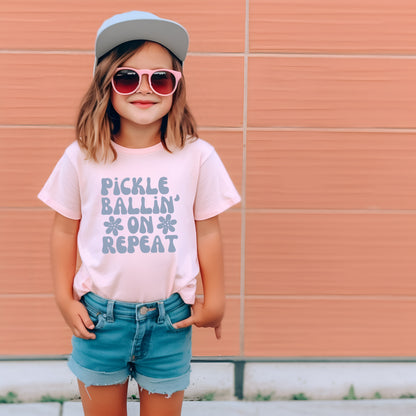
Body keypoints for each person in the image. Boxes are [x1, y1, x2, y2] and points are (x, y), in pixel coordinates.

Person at [38, 10, 241, 416]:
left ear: (175, 88)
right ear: (106, 86)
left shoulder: (197, 156)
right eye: (127, 77)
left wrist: (216, 297)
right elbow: (64, 231)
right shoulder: (82, 157)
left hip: (170, 319)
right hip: (99, 320)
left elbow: (209, 232)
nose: (144, 90)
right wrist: (63, 297)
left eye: (160, 79)